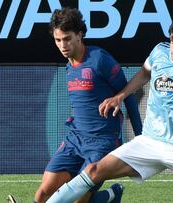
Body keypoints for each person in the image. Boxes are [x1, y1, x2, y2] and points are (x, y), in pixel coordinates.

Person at [46, 4, 173, 203]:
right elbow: (145, 74)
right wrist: (120, 95)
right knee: (93, 171)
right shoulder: (159, 52)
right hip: (150, 142)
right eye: (172, 41)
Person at [8, 7, 143, 203]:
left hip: (102, 142)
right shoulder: (69, 65)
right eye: (58, 40)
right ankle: (109, 197)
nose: (63, 45)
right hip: (75, 139)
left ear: (80, 35)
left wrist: (140, 138)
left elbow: (128, 95)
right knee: (43, 195)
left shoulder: (100, 59)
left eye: (67, 38)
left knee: (78, 199)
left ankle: (108, 196)